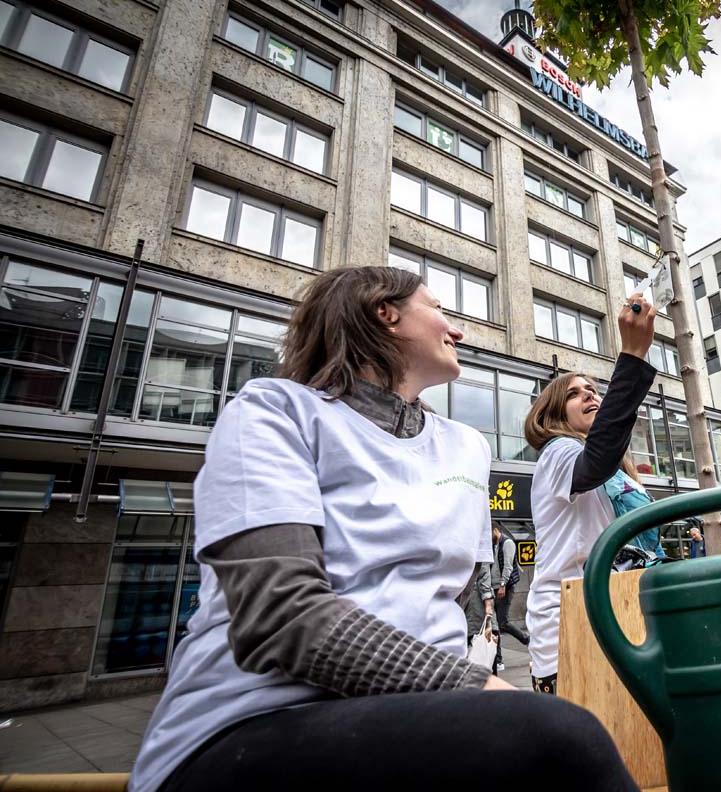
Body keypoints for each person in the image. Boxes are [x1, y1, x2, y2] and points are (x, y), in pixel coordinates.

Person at [130, 266, 635, 792]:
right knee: (562, 738)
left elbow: (445, 595)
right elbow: (280, 616)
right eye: (439, 309)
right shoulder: (272, 410)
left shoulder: (467, 446)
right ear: (385, 314)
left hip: (424, 716)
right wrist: (475, 686)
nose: (456, 330)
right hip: (250, 723)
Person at [524, 292, 659, 696]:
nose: (591, 395)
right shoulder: (558, 453)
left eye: (595, 390)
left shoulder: (622, 471)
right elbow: (595, 461)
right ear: (552, 411)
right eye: (576, 392)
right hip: (570, 628)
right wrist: (632, 355)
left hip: (622, 618)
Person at [491, 524, 529, 667]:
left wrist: (502, 585)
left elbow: (508, 566)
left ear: (496, 530)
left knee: (502, 622)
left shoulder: (507, 543)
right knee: (495, 624)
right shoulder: (494, 545)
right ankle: (498, 659)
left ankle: (526, 640)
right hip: (493, 587)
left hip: (504, 588)